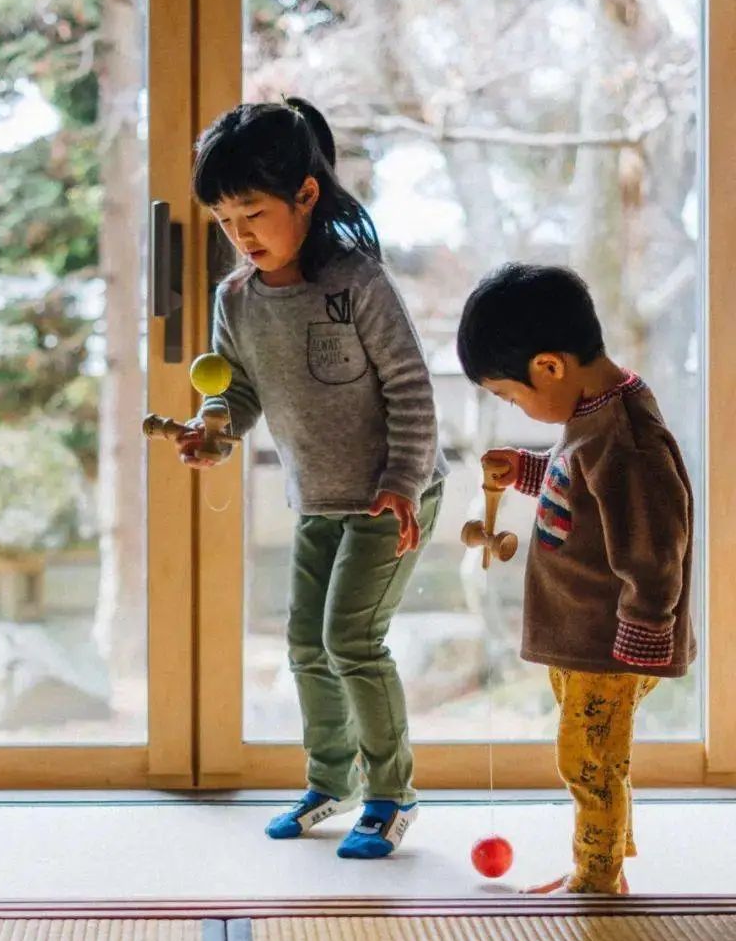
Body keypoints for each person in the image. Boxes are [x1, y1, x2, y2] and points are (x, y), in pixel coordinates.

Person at [180, 97, 446, 858]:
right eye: (225, 220)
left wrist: (402, 479)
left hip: (395, 492)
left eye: (254, 213)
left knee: (351, 640)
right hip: (320, 497)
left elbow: (411, 388)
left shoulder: (354, 284)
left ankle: (392, 795)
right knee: (305, 644)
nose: (241, 235)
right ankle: (333, 783)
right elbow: (237, 393)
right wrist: (214, 431)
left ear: (305, 194)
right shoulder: (235, 298)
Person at [456, 263, 695, 895]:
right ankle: (609, 845)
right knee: (598, 748)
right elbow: (579, 489)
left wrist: (645, 628)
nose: (518, 408)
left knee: (584, 758)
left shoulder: (628, 438)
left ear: (550, 367)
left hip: (610, 639)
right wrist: (529, 471)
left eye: (513, 397)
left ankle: (595, 874)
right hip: (581, 630)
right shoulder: (593, 412)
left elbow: (653, 542)